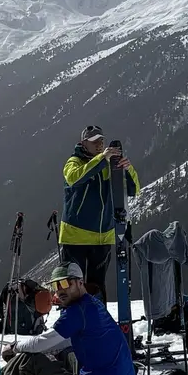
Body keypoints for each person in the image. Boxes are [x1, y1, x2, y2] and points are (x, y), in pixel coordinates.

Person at [0, 262, 138, 375]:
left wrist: (14, 347)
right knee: (63, 353)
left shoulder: (77, 311)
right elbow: (62, 342)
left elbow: (43, 342)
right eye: (56, 285)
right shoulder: (94, 305)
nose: (60, 290)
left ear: (80, 282)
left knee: (28, 363)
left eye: (66, 283)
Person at [59, 126, 140, 300]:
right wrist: (102, 159)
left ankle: (98, 322)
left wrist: (128, 169)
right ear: (83, 143)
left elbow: (134, 190)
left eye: (101, 140)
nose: (99, 143)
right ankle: (75, 324)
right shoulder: (74, 162)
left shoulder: (107, 164)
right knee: (73, 286)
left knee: (97, 287)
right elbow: (74, 178)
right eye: (94, 140)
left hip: (103, 236)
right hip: (75, 236)